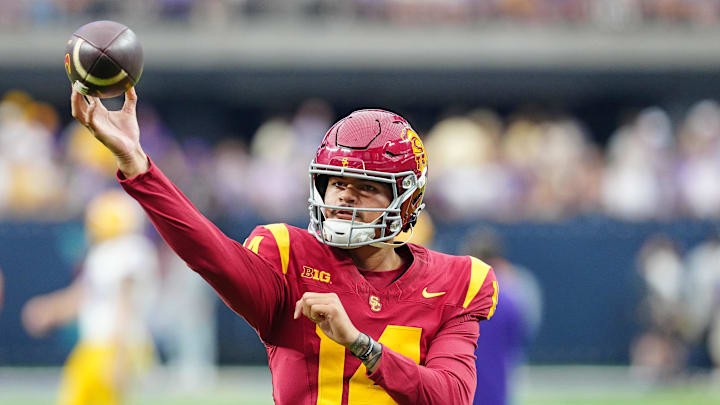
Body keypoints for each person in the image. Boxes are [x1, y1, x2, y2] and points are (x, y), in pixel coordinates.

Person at [69, 87, 498, 405]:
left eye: (366, 187)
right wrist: (137, 165)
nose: (345, 197)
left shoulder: (457, 282)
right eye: (337, 184)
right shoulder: (289, 258)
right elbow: (208, 252)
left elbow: (450, 398)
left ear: (407, 199)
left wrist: (360, 344)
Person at [21, 189, 158, 405]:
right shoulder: (104, 254)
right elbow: (84, 296)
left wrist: (118, 357)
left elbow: (125, 307)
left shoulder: (130, 251)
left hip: (113, 346)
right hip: (96, 346)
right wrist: (50, 311)